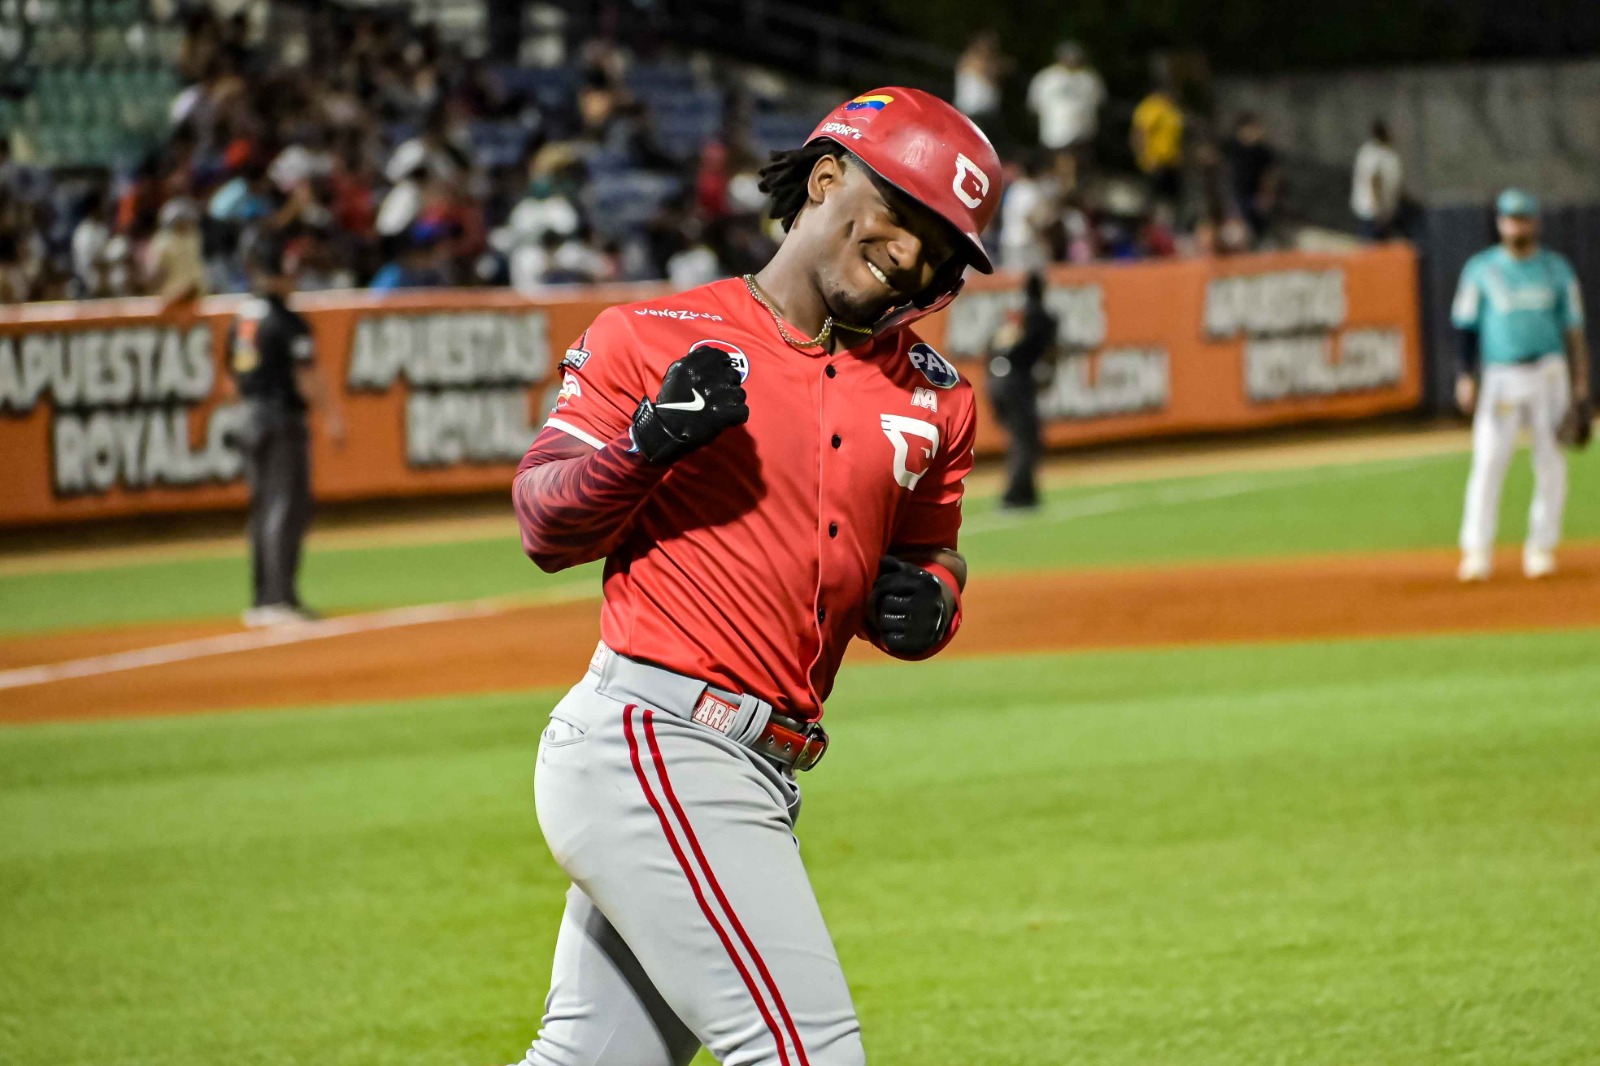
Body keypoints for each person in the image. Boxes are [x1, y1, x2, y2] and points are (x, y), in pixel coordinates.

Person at [506, 86, 1000, 1066]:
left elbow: (927, 557)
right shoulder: (650, 336)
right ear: (824, 180)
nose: (915, 256)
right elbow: (543, 520)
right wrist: (642, 449)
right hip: (656, 742)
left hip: (759, 765)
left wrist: (931, 603)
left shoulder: (935, 399)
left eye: (944, 244)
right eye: (902, 216)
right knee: (804, 1054)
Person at [1452, 189, 1590, 582]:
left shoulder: (1556, 269)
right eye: (1510, 218)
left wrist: (1581, 388)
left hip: (1549, 372)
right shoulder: (1481, 269)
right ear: (1500, 223)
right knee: (1489, 459)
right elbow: (1464, 326)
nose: (1517, 225)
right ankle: (1477, 551)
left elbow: (1575, 332)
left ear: (1535, 222)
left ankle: (1541, 548)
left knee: (1551, 461)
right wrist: (1465, 374)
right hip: (1501, 376)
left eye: (1524, 218)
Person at [226, 238, 346, 627]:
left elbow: (230, 374)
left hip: (247, 414)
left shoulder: (242, 317)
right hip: (280, 418)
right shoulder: (286, 319)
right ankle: (278, 600)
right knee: (285, 507)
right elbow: (306, 373)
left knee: (262, 509)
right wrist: (331, 416)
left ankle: (263, 597)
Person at [986, 271, 1057, 509]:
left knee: (1020, 437)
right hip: (1015, 381)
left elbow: (992, 345)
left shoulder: (1015, 315)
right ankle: (1017, 494)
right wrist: (1047, 377)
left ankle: (1023, 491)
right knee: (1026, 438)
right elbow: (1050, 352)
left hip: (997, 378)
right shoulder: (1043, 317)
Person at [1027, 41, 1104, 184]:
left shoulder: (1089, 79)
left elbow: (1097, 103)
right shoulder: (1046, 78)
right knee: (1060, 163)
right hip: (1055, 134)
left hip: (1082, 134)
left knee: (1078, 167)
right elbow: (1035, 105)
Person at [1130, 67, 1184, 212]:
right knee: (1152, 200)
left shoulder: (1172, 109)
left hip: (1172, 162)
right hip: (1155, 161)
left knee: (1173, 200)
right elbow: (1139, 133)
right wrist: (1144, 156)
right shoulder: (1151, 107)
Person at [1224, 113, 1279, 247]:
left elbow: (1270, 174)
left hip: (1257, 195)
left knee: (1258, 229)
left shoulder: (1263, 151)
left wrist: (1267, 195)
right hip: (1238, 195)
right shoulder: (1235, 147)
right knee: (1236, 232)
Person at [1350, 119, 1403, 241]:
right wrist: (1378, 210)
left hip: (1383, 212)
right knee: (1372, 250)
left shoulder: (1385, 152)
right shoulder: (1373, 153)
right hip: (1373, 214)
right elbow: (1374, 181)